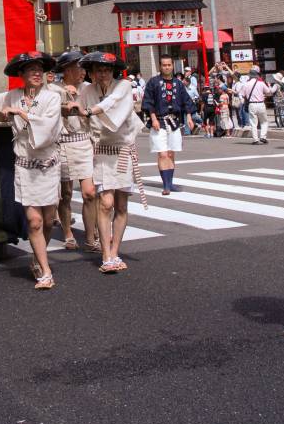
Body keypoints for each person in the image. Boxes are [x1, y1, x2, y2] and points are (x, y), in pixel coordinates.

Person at [0, 51, 62, 290]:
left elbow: (48, 125)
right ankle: (45, 271)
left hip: (48, 163)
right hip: (24, 165)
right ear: (21, 74)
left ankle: (38, 255)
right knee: (33, 221)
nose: (36, 73)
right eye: (30, 69)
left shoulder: (52, 98)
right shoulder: (13, 96)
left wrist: (21, 113)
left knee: (46, 220)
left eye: (39, 69)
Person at [79, 52, 147, 274]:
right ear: (92, 72)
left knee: (121, 205)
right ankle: (106, 255)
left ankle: (115, 250)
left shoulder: (124, 86)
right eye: (98, 69)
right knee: (105, 203)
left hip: (124, 150)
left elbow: (112, 103)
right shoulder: (87, 90)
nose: (103, 73)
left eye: (107, 69)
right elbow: (78, 114)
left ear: (113, 71)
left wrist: (90, 111)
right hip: (102, 151)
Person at [48, 51, 97, 253]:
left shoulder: (88, 89)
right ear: (67, 69)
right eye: (79, 67)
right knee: (66, 193)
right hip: (63, 143)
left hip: (85, 141)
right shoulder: (52, 89)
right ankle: (68, 233)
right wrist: (63, 98)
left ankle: (91, 236)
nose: (83, 72)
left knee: (89, 193)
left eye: (84, 68)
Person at [142, 55, 195, 194]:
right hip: (159, 121)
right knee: (162, 154)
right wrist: (153, 119)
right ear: (160, 66)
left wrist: (189, 117)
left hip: (174, 122)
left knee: (171, 154)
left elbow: (186, 102)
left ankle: (170, 183)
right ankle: (165, 185)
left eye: (169, 65)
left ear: (172, 66)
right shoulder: (153, 82)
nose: (167, 67)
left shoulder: (178, 83)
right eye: (164, 65)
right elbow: (148, 102)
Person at [240, 65, 275, 144]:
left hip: (251, 105)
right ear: (257, 74)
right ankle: (263, 137)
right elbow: (268, 92)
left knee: (253, 123)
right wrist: (269, 86)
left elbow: (241, 95)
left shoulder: (246, 84)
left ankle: (255, 139)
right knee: (264, 121)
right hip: (261, 104)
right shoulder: (261, 83)